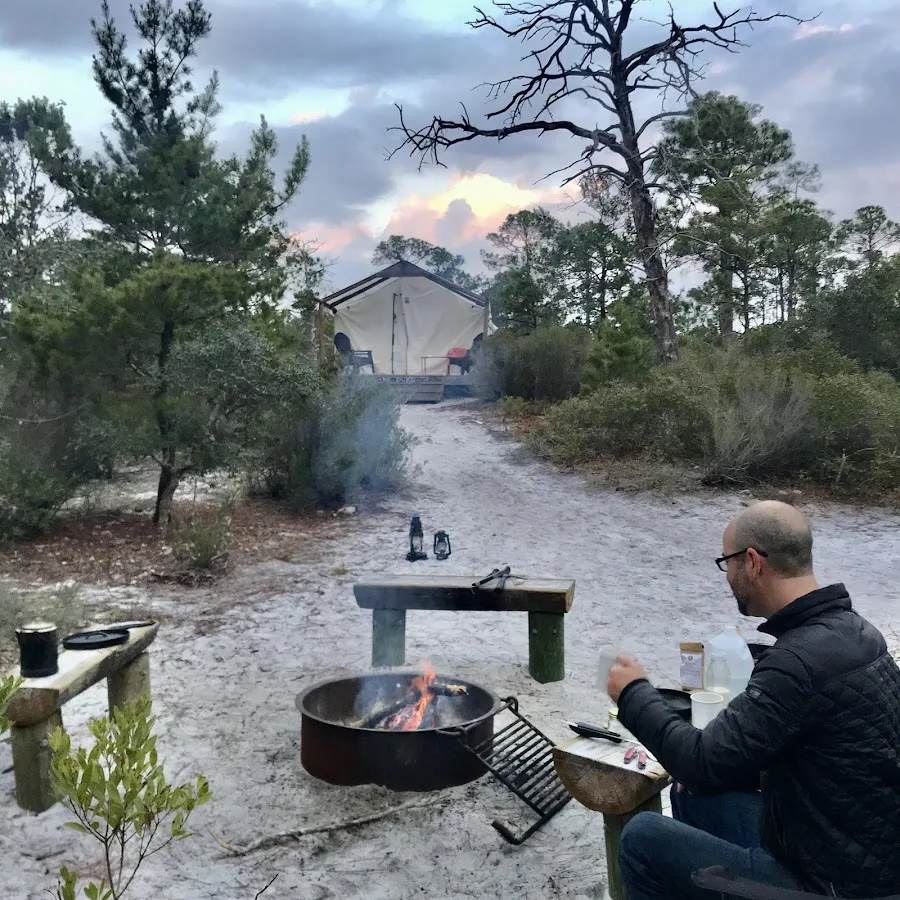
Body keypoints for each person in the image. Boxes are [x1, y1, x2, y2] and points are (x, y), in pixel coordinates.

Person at [607, 500, 900, 899]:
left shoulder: (797, 662)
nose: (727, 576)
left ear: (752, 562)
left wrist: (632, 693)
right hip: (841, 845)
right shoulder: (856, 632)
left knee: (642, 838)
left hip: (830, 884)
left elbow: (700, 763)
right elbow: (818, 754)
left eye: (726, 563)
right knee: (691, 796)